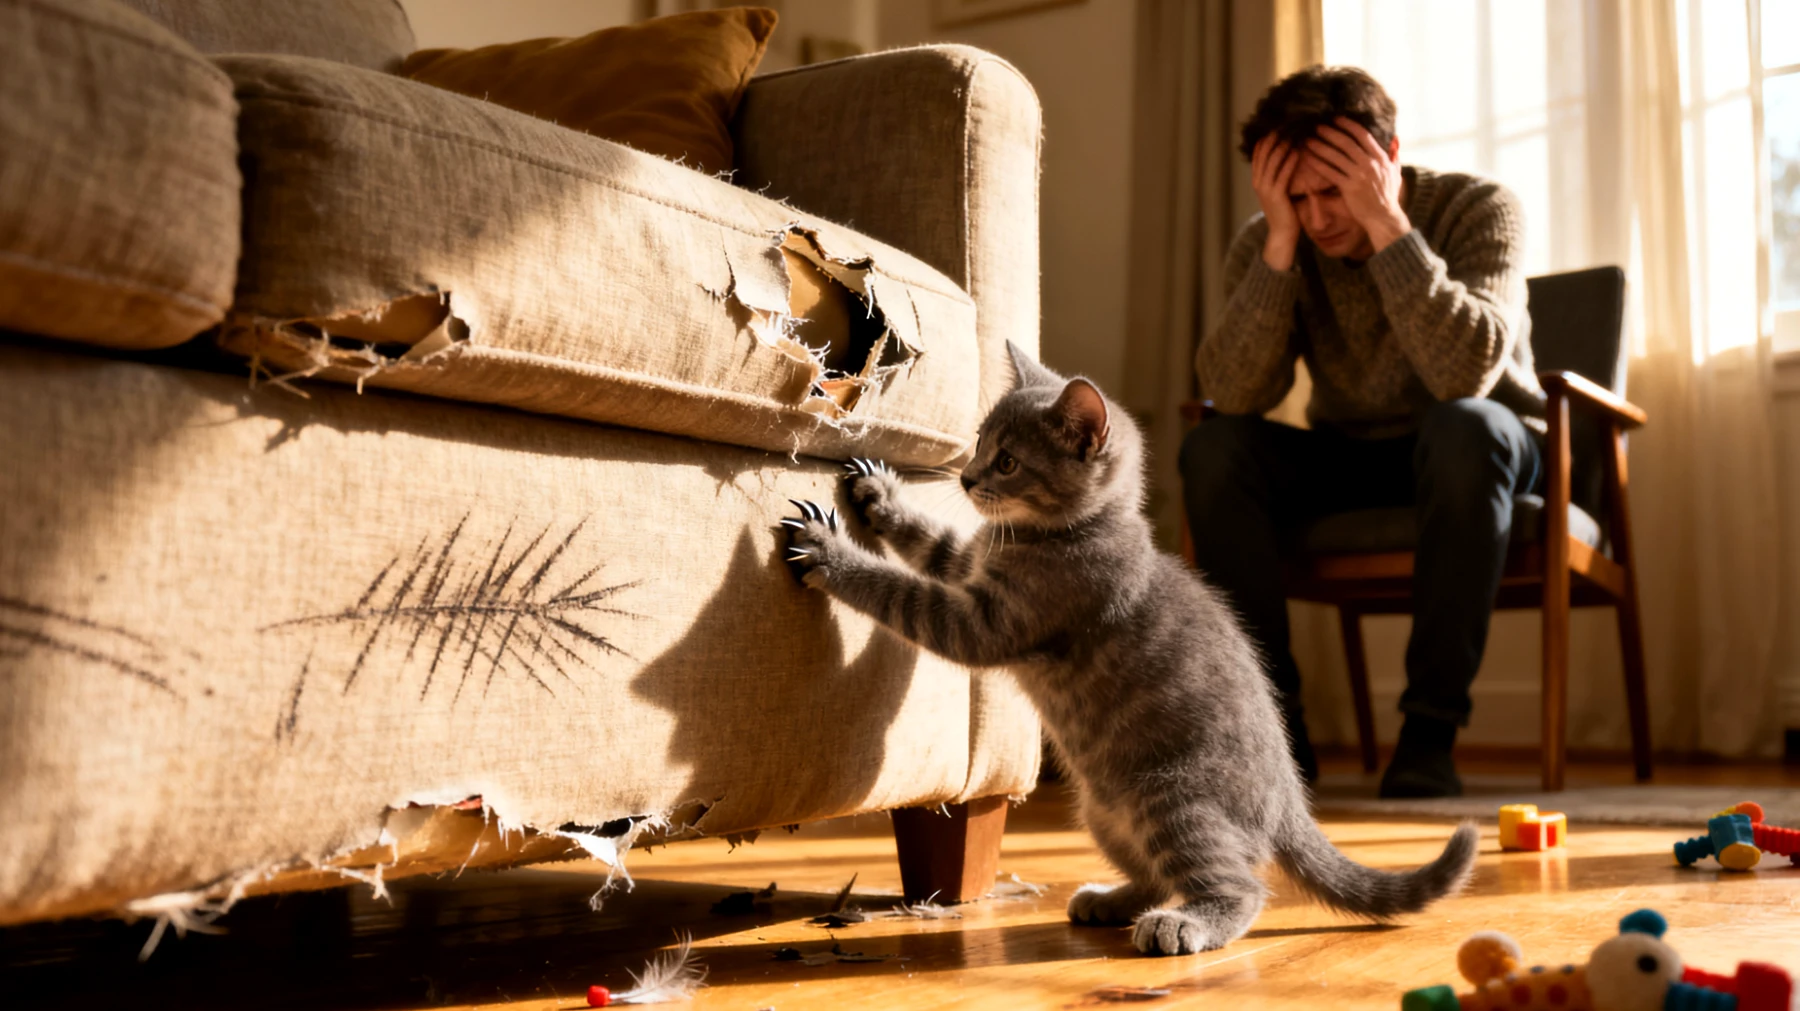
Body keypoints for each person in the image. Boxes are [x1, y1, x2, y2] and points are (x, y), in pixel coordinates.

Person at [1180, 66, 1543, 799]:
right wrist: (1278, 244)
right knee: (1213, 449)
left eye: (1333, 190)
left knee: (1462, 427)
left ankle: (1428, 735)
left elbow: (1460, 373)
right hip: (1353, 451)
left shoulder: (1479, 208)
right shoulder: (1274, 239)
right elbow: (1236, 390)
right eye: (1296, 197)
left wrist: (1388, 229)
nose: (1317, 217)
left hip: (1480, 446)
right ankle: (1276, 738)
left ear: (1387, 160)